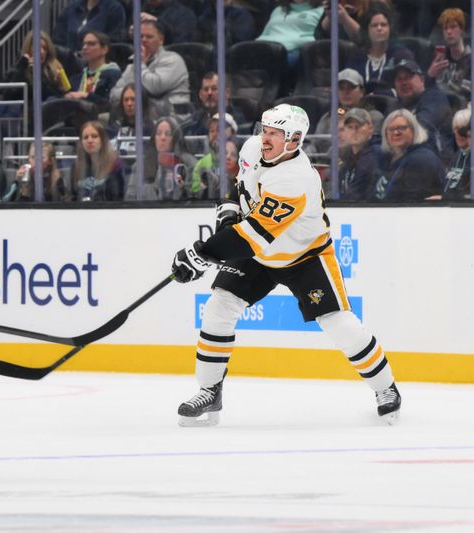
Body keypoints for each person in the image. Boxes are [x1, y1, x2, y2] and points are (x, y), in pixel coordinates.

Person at [170, 103, 402, 427]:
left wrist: (200, 254)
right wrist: (227, 210)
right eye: (265, 130)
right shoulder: (253, 148)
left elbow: (251, 237)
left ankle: (385, 387)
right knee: (219, 307)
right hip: (261, 254)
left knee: (339, 323)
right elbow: (237, 186)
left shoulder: (295, 180)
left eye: (275, 134)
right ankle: (210, 390)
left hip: (305, 257)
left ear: (293, 141)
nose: (266, 138)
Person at [109, 19, 190, 117]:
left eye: (149, 37)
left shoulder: (173, 60)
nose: (143, 40)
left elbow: (153, 87)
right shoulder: (132, 65)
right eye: (140, 36)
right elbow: (113, 96)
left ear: (161, 40)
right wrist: (129, 93)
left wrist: (140, 65)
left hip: (170, 116)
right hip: (139, 116)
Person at [372, 108, 444, 202]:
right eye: (391, 129)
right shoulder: (387, 157)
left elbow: (412, 203)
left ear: (414, 130)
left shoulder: (421, 159)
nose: (396, 133)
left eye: (402, 128)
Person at [390, 59, 454, 162]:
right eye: (399, 79)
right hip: (404, 162)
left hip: (434, 163)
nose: (404, 83)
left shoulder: (435, 98)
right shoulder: (394, 105)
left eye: (408, 77)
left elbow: (421, 128)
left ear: (422, 80)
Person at [311, 68, 385, 154]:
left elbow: (370, 147)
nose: (346, 92)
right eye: (341, 88)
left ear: (362, 91)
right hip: (325, 163)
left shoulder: (373, 117)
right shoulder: (329, 116)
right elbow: (315, 144)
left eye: (351, 87)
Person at [345, 3, 412, 95]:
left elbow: (409, 88)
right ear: (366, 30)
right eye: (374, 25)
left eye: (383, 25)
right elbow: (345, 86)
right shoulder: (357, 57)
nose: (379, 28)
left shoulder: (402, 55)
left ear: (390, 28)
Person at [125, 116, 194, 201]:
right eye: (158, 133)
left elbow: (195, 196)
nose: (162, 138)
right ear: (154, 138)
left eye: (168, 134)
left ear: (175, 138)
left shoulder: (188, 164)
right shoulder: (140, 166)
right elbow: (130, 198)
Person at [4, 31, 71, 103]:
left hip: (50, 109)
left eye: (45, 48)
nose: (42, 52)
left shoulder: (54, 67)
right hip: (26, 110)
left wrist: (58, 84)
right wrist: (22, 68)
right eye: (37, 47)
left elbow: (63, 95)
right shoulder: (20, 67)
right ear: (29, 49)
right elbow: (9, 94)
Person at [255, 0, 323, 70]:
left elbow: (319, 38)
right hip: (263, 50)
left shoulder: (321, 11)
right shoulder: (278, 10)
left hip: (292, 53)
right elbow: (264, 35)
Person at [64, 31, 121, 113]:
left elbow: (111, 103)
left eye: (91, 44)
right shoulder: (77, 77)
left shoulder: (113, 74)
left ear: (104, 49)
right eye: (84, 44)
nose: (85, 47)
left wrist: (86, 95)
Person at [72, 120, 123, 201]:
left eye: (94, 136)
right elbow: (73, 196)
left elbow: (117, 197)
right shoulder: (76, 165)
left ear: (102, 140)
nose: (89, 141)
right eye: (85, 137)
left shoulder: (115, 164)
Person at [191, 114, 239, 200]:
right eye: (211, 130)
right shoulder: (201, 164)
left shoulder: (241, 162)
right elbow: (195, 195)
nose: (214, 134)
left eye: (219, 130)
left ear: (232, 133)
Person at [426, 8, 471, 100]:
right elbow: (424, 88)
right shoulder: (439, 56)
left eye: (453, 27)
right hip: (435, 102)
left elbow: (465, 96)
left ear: (462, 30)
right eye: (445, 28)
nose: (449, 32)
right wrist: (430, 75)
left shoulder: (470, 60)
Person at [337, 107, 381, 201]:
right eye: (350, 127)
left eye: (359, 126)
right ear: (344, 131)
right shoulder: (347, 159)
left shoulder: (375, 155)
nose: (354, 131)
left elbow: (356, 196)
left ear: (370, 129)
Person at [183, 73, 245, 137]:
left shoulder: (237, 119)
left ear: (227, 93)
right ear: (200, 95)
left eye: (214, 88)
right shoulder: (194, 120)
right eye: (206, 89)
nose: (209, 93)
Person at [51, 0, 126, 51]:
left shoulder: (114, 9)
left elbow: (113, 41)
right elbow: (58, 40)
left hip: (98, 64)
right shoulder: (71, 9)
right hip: (69, 63)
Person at [437, 107, 471, 200]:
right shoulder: (456, 156)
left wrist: (443, 198)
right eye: (456, 128)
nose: (458, 133)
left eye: (462, 130)